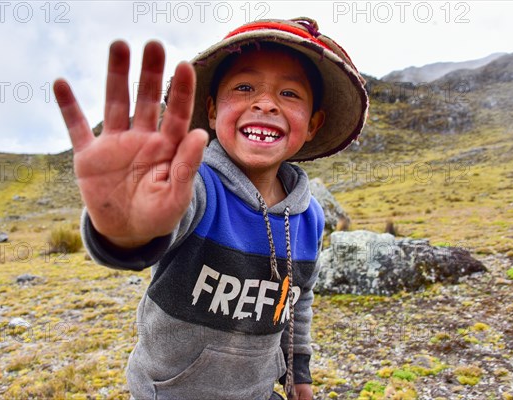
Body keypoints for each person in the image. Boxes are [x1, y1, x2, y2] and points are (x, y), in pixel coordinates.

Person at [54, 17, 367, 400]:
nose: (265, 102)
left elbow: (297, 304)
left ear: (314, 123)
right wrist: (126, 232)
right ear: (213, 111)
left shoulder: (310, 216)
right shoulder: (196, 185)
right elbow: (157, 225)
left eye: (290, 93)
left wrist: (298, 376)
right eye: (245, 87)